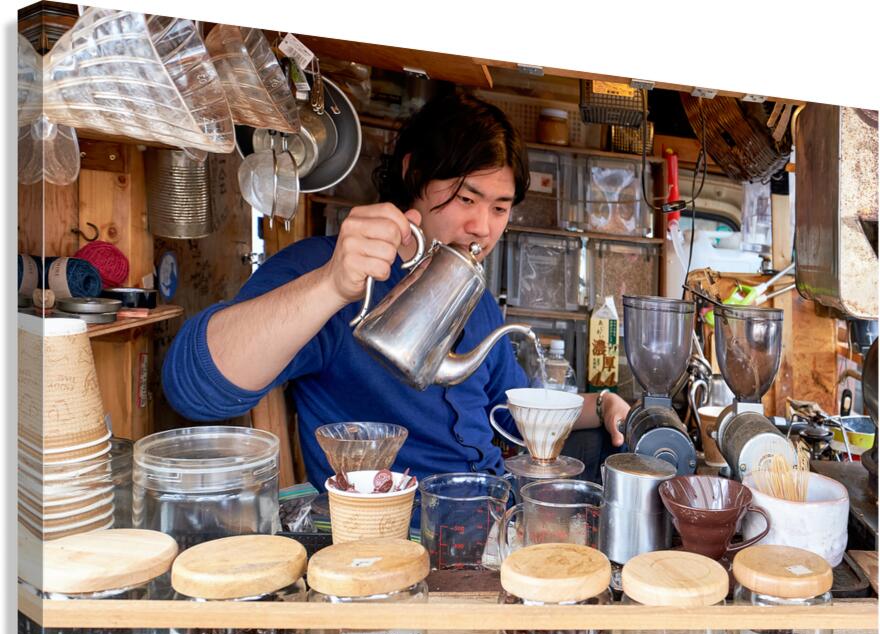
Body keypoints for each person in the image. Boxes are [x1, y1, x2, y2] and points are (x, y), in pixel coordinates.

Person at [162, 91, 630, 486]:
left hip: (487, 510)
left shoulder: (480, 304)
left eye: (500, 209)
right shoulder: (328, 268)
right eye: (467, 199)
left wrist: (606, 404)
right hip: (394, 528)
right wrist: (331, 285)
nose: (481, 228)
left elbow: (513, 411)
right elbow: (193, 389)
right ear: (415, 174)